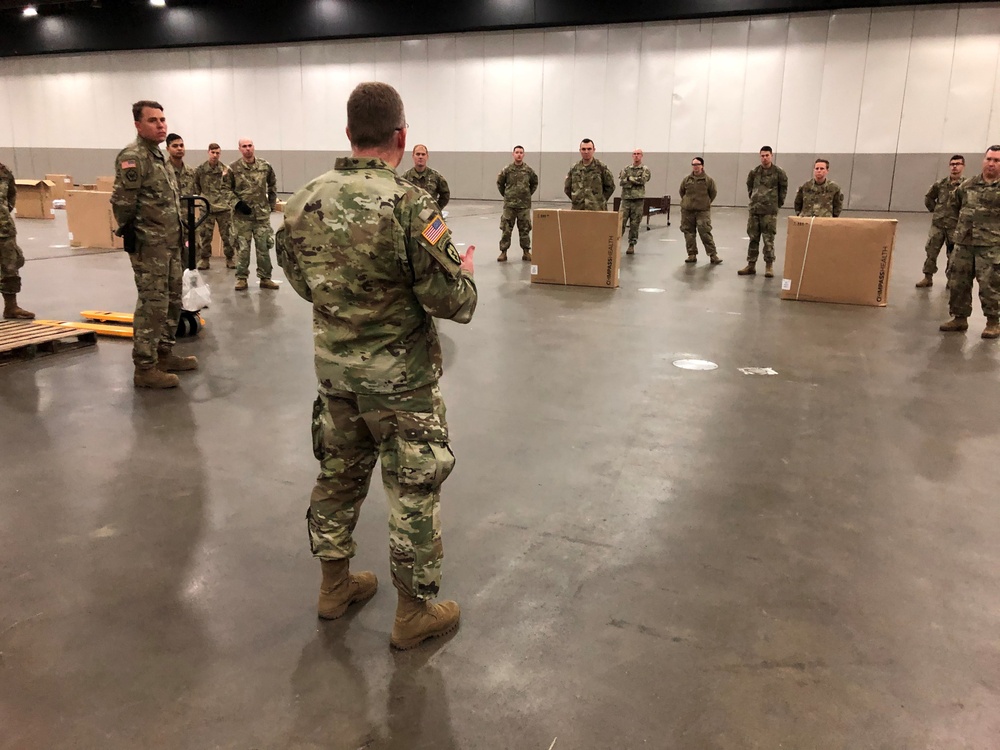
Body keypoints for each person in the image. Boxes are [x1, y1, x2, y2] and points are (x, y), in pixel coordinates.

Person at [276, 82, 478, 650]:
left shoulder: (302, 201)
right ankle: (413, 615)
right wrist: (461, 271)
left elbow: (301, 282)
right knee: (413, 489)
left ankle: (334, 587)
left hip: (336, 377)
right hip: (402, 384)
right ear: (401, 136)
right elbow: (453, 303)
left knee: (337, 477)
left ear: (348, 133)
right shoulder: (413, 205)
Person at [111, 100, 198, 389]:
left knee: (173, 299)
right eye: (153, 120)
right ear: (138, 125)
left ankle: (164, 354)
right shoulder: (133, 158)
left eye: (163, 119)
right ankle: (144, 367)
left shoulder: (159, 157)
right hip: (150, 246)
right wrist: (133, 232)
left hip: (171, 245)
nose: (161, 125)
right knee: (152, 304)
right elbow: (123, 204)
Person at [939, 145, 1000, 339]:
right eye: (989, 159)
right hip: (964, 244)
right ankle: (959, 317)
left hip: (990, 246)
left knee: (990, 285)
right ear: (983, 160)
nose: (991, 163)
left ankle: (993, 322)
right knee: (958, 282)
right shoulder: (967, 186)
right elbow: (954, 206)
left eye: (997, 160)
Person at [226, 138, 278, 291]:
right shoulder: (233, 169)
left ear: (253, 147)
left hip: (261, 215)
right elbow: (225, 190)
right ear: (239, 149)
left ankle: (265, 277)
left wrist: (271, 205)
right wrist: (237, 203)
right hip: (242, 217)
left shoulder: (265, 166)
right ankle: (241, 278)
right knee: (243, 249)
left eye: (250, 146)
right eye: (244, 146)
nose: (247, 149)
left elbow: (273, 185)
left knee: (264, 248)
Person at [916, 155, 965, 288]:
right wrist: (935, 210)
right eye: (952, 164)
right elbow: (929, 197)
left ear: (963, 166)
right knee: (931, 251)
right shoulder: (940, 184)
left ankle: (951, 280)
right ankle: (928, 277)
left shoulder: (965, 186)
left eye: (958, 164)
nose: (955, 166)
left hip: (955, 226)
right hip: (938, 224)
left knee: (953, 255)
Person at [740, 146, 788, 278]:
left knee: (768, 239)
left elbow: (783, 189)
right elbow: (750, 187)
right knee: (753, 238)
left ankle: (769, 265)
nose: (764, 158)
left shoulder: (779, 172)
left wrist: (776, 204)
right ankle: (751, 265)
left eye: (767, 155)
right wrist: (754, 199)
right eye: (762, 155)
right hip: (755, 210)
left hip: (769, 211)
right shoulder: (754, 172)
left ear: (771, 155)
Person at [0, 160, 34, 319]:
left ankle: (11, 307)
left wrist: (4, 215)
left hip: (3, 229)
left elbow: (11, 196)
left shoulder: (3, 171)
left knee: (10, 267)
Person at [194, 143, 236, 270]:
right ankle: (205, 259)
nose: (215, 155)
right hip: (207, 207)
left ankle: (229, 258)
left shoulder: (226, 170)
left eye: (217, 153)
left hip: (223, 208)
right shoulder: (200, 170)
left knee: (228, 236)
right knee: (205, 235)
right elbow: (196, 186)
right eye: (213, 152)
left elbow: (231, 187)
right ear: (208, 152)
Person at [496, 145, 538, 262]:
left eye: (521, 152)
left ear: (523, 155)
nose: (519, 154)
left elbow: (534, 182)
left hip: (523, 206)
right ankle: (503, 252)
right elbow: (500, 183)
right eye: (517, 152)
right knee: (506, 229)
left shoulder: (528, 170)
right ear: (513, 154)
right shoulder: (507, 170)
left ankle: (526, 252)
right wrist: (507, 195)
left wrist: (527, 194)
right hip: (509, 205)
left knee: (525, 229)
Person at [678, 156, 721, 264]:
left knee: (705, 232)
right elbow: (682, 192)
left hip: (702, 211)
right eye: (693, 165)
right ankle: (691, 254)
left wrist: (705, 203)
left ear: (702, 166)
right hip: (687, 211)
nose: (695, 167)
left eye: (697, 165)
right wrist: (687, 202)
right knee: (688, 233)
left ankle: (713, 255)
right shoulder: (687, 180)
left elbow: (713, 193)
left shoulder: (708, 180)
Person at [564, 138, 615, 211]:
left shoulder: (601, 167)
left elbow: (610, 186)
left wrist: (599, 200)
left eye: (589, 149)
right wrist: (577, 199)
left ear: (594, 150)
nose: (586, 152)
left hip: (596, 210)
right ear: (580, 151)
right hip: (578, 209)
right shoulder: (574, 168)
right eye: (583, 149)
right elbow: (567, 188)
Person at [618, 149, 651, 255]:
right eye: (634, 154)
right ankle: (617, 243)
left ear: (642, 156)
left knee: (634, 224)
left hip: (638, 201)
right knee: (620, 223)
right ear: (632, 156)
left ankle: (631, 244)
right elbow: (621, 182)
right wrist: (634, 180)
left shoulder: (645, 169)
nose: (636, 156)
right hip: (626, 200)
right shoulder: (626, 168)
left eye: (638, 154)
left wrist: (629, 179)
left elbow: (643, 180)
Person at [402, 145, 450, 211]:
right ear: (413, 156)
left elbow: (445, 194)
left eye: (423, 154)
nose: (420, 157)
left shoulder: (436, 176)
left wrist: (436, 208)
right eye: (418, 154)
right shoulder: (406, 177)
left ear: (427, 156)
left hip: (430, 216)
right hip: (412, 217)